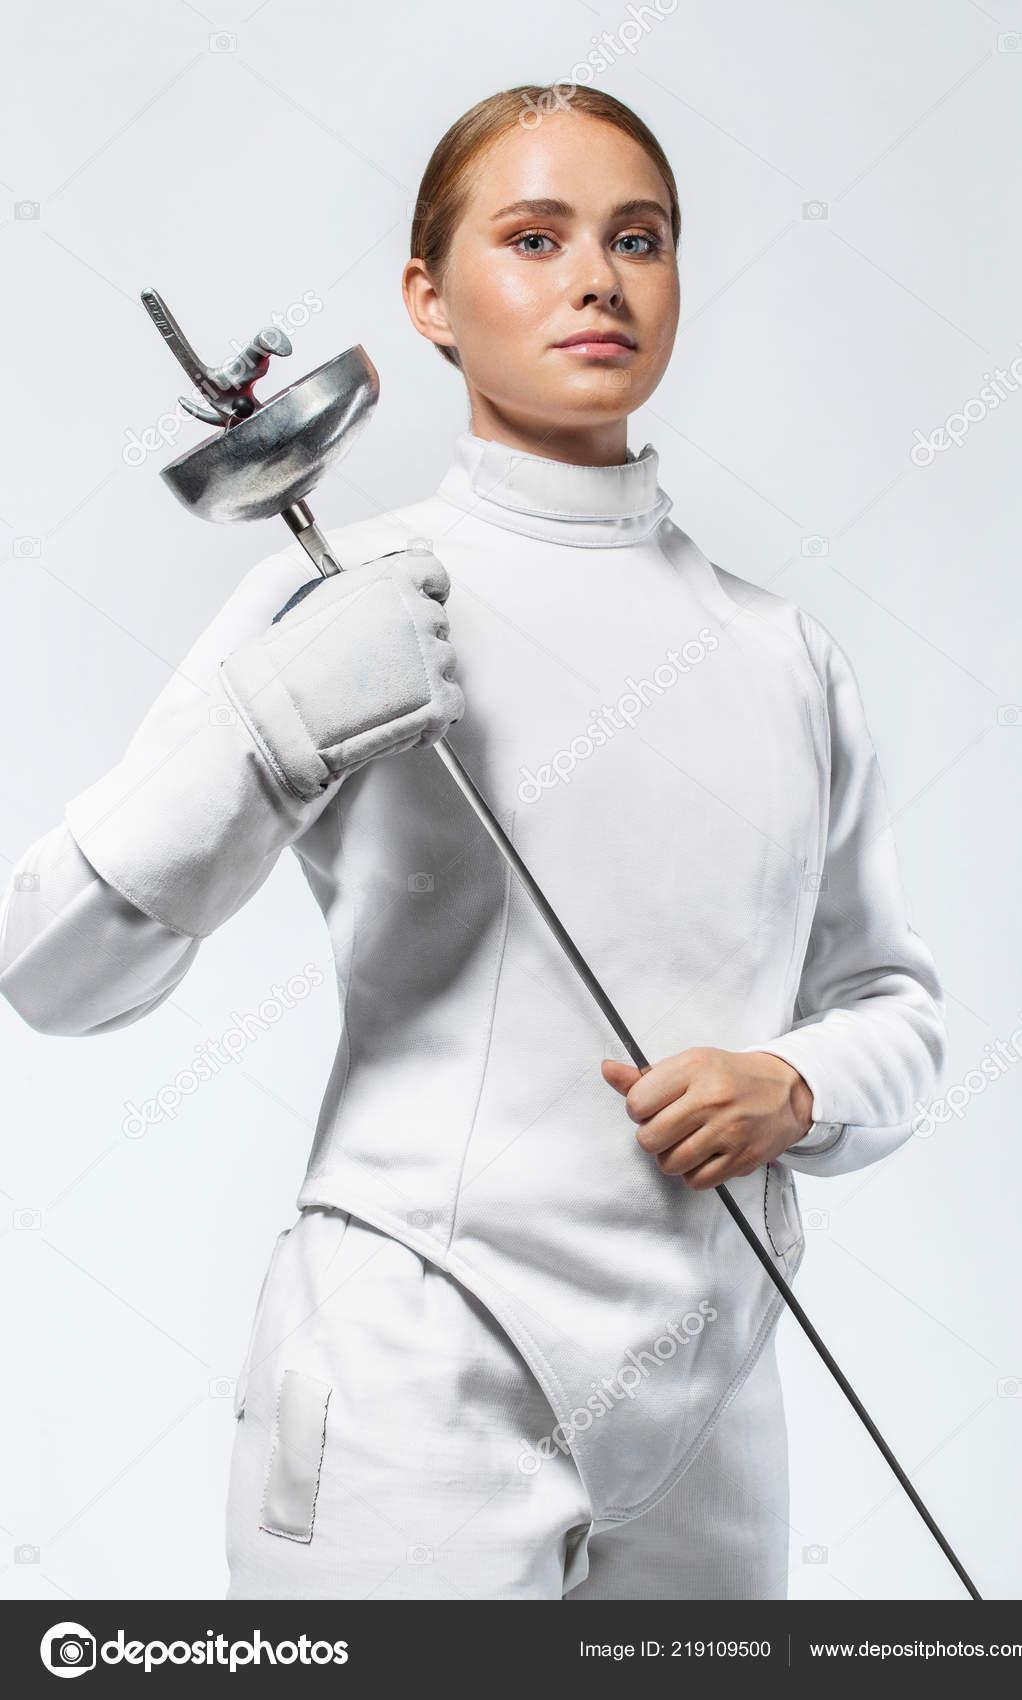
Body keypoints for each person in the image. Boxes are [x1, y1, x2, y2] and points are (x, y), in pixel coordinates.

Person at [0, 84, 946, 1601]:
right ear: (428, 300)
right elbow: (52, 967)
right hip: (415, 1369)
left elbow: (894, 1005)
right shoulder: (348, 594)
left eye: (638, 239)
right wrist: (268, 729)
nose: (598, 281)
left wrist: (796, 1084)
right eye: (535, 238)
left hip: (714, 1381)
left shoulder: (784, 655)